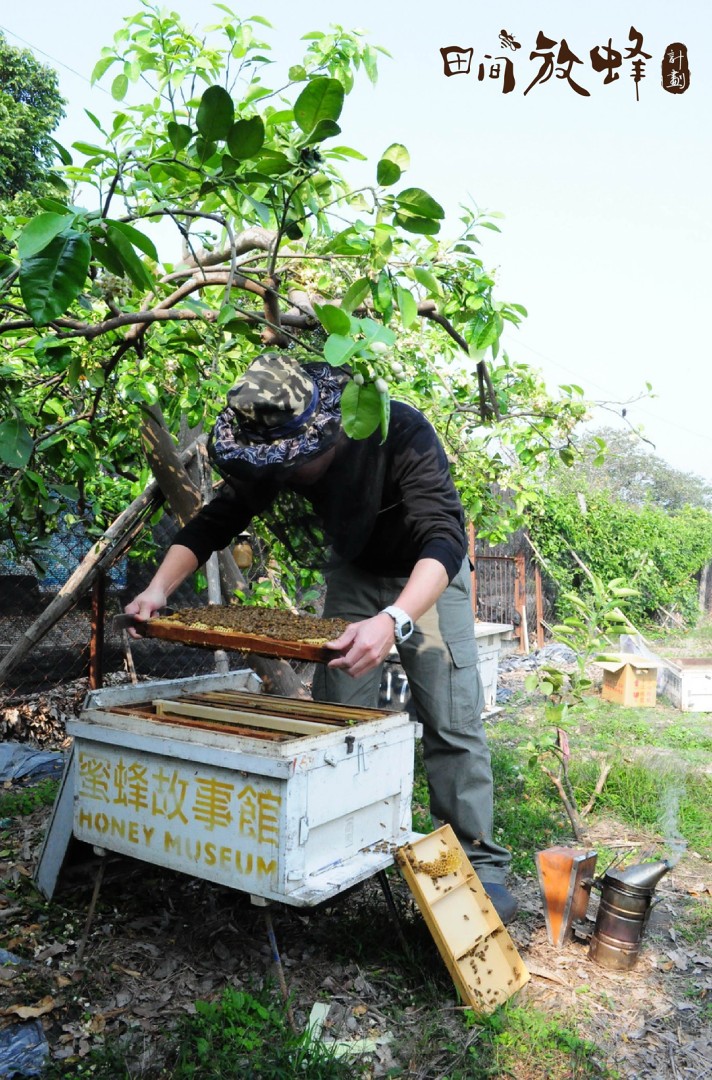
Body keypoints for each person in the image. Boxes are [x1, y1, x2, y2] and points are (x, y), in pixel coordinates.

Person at [125, 353, 517, 922]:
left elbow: (444, 538)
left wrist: (394, 620)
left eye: (297, 459)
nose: (286, 471)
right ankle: (340, 845)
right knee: (336, 720)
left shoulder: (399, 430)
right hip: (356, 572)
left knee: (451, 719)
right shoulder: (272, 456)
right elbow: (213, 523)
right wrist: (158, 590)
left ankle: (480, 864)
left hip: (428, 574)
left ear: (329, 427)